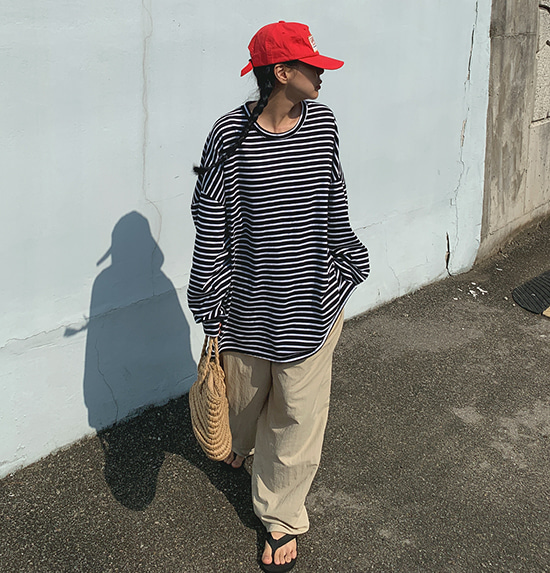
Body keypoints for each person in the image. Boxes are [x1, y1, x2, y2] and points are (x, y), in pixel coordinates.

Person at [188, 21, 370, 573]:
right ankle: (245, 450)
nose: (322, 74)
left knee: (297, 415)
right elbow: (209, 221)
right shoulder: (229, 135)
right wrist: (209, 303)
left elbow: (334, 197)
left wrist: (347, 262)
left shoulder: (324, 123)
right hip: (247, 303)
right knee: (243, 407)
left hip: (313, 300)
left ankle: (280, 517)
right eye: (312, 65)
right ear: (282, 72)